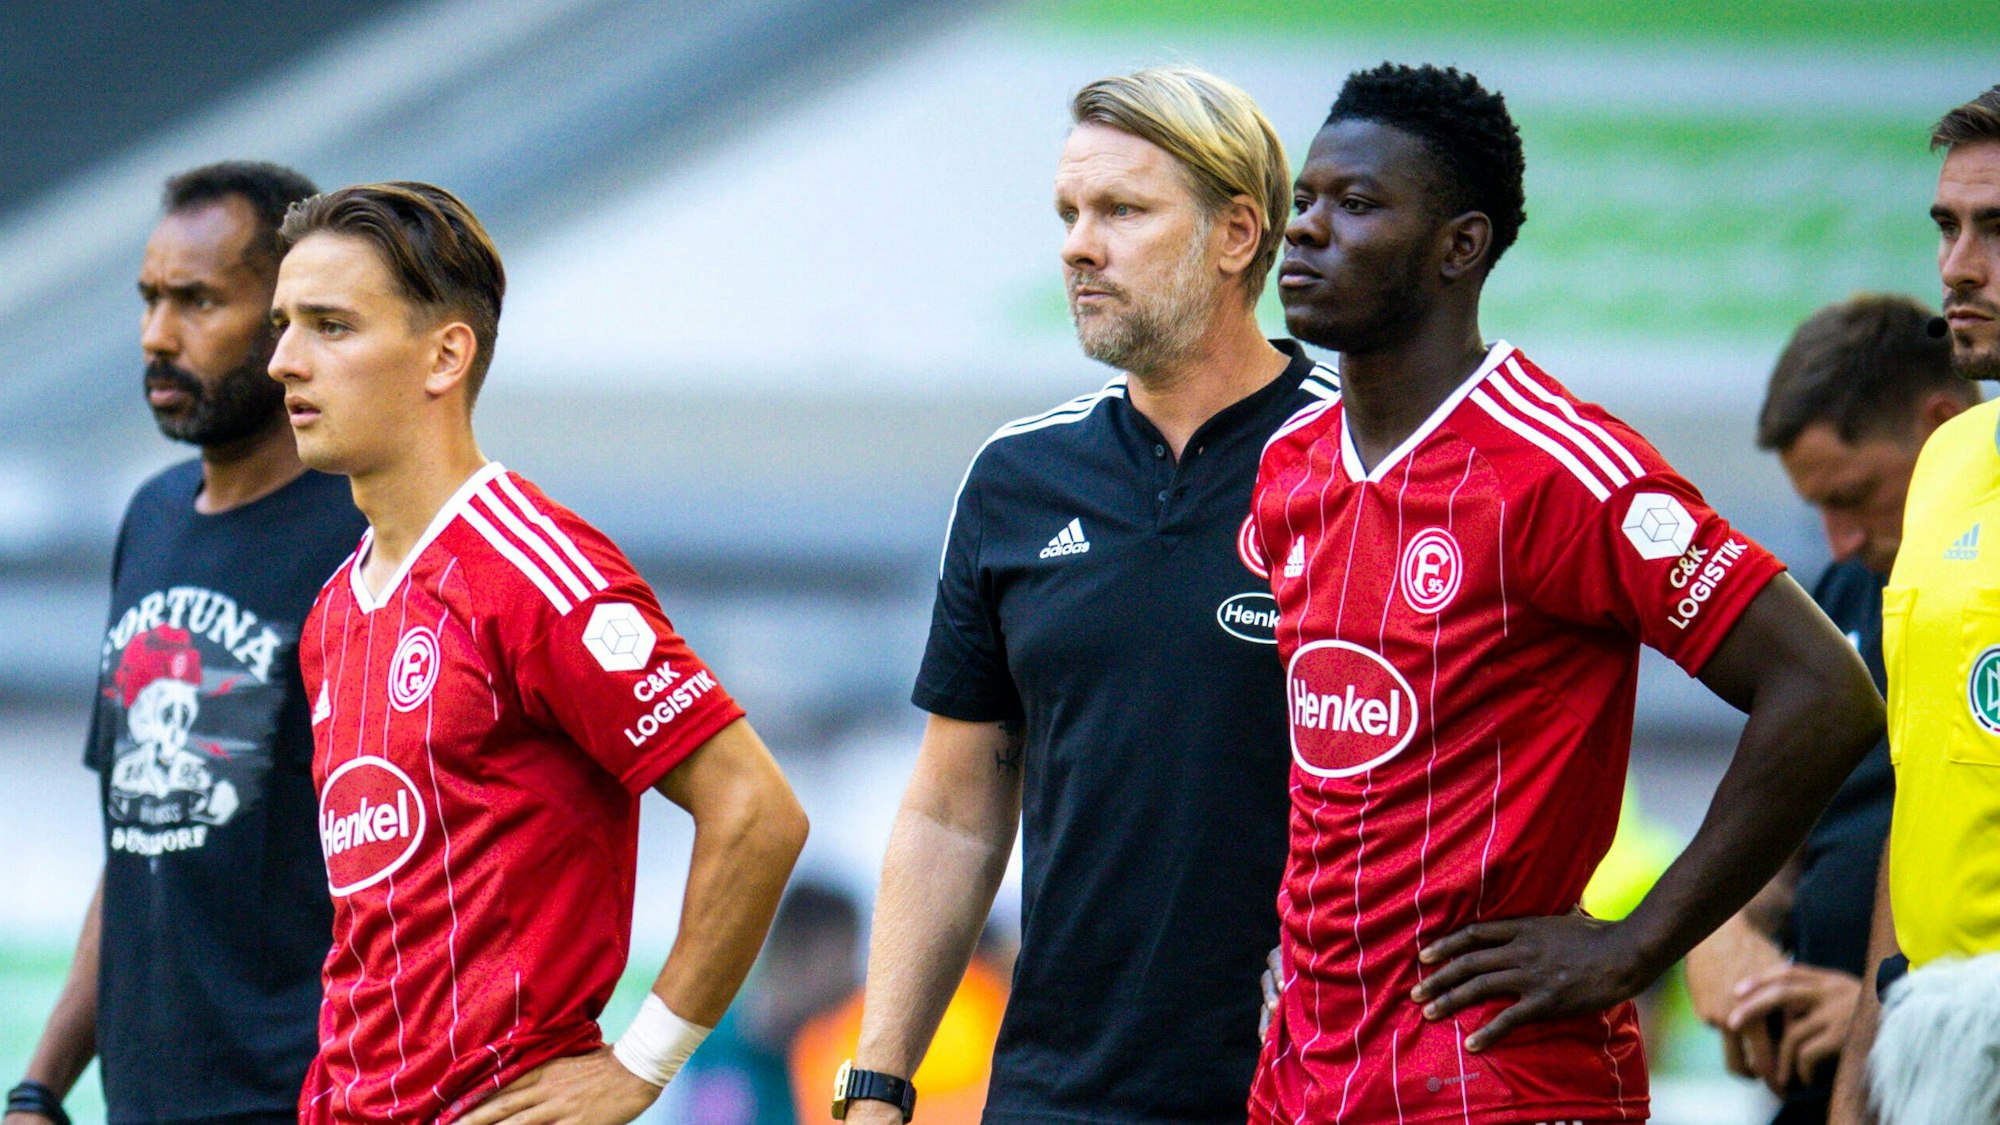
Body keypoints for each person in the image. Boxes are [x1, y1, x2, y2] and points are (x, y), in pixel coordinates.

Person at [1252, 62, 1883, 1125]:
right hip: (1303, 1078)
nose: (1305, 230)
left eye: (1354, 204)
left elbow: (1822, 691)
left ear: (1460, 246)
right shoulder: (1292, 463)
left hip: (1498, 1083)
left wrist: (1635, 942)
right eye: (1304, 200)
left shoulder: (1559, 468)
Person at [842, 67, 1337, 1125]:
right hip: (1053, 1095)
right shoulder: (1016, 478)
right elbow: (952, 810)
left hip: (1307, 1093)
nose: (1076, 243)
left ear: (1236, 234)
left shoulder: (1368, 461)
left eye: (1121, 210)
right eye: (1068, 212)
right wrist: (877, 1084)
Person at [263, 181, 809, 1125]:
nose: (282, 362)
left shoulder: (532, 571)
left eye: (330, 326)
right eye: (283, 324)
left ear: (445, 354)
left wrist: (640, 1065)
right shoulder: (330, 612)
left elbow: (757, 812)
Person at [3, 162, 363, 1125]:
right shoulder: (153, 519)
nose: (158, 336)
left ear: (290, 319)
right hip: (143, 1104)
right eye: (151, 298)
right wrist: (40, 1084)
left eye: (198, 300)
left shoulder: (367, 536)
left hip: (306, 1101)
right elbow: (138, 848)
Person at [1684, 294, 1971, 1124]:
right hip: (1816, 1092)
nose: (1835, 537)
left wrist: (1887, 1020)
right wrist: (1723, 932)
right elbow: (1779, 816)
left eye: (1852, 494)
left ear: (1941, 424)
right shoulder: (1844, 594)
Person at [1828, 84, 2000, 1125]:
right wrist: (1859, 1081)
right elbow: (1922, 794)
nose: (1954, 267)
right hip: (1928, 1058)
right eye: (1945, 226)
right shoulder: (1945, 463)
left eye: (1994, 231)